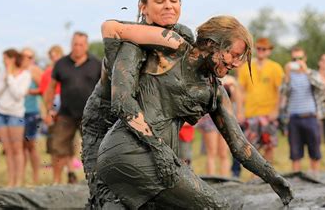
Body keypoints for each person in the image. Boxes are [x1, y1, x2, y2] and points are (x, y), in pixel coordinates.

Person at [97, 16, 293, 209]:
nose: (236, 63)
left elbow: (240, 146)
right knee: (219, 207)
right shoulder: (171, 51)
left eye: (239, 58)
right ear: (211, 43)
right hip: (133, 151)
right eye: (232, 54)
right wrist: (159, 149)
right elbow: (121, 33)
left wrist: (273, 177)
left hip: (146, 159)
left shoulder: (215, 91)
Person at [80, 0, 194, 206]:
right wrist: (171, 40)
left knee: (156, 194)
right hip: (106, 121)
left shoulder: (184, 33)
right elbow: (109, 27)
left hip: (149, 122)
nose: (169, 6)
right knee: (109, 196)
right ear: (143, 7)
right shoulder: (128, 40)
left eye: (174, 0)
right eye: (160, 1)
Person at [44, 32, 101, 184]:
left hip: (90, 116)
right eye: (75, 44)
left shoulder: (97, 63)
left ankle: (95, 183)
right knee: (58, 149)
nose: (77, 48)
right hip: (65, 114)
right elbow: (50, 88)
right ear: (71, 44)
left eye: (81, 44)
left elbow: (105, 89)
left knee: (94, 149)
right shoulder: (61, 63)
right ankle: (56, 183)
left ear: (86, 46)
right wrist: (48, 109)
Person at [237, 37, 284, 164]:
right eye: (258, 48)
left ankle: (267, 178)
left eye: (264, 49)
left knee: (269, 146)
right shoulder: (245, 67)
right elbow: (240, 91)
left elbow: (281, 91)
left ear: (269, 51)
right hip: (251, 113)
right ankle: (254, 180)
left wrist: (276, 110)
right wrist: (240, 111)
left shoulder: (276, 68)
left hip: (268, 114)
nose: (261, 51)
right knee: (252, 149)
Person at [0, 48, 31, 187]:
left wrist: (10, 78)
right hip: (0, 114)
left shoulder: (25, 74)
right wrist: (5, 77)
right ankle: (10, 181)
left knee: (17, 149)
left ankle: (18, 181)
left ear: (13, 59)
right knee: (7, 150)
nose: (3, 61)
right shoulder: (1, 73)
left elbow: (18, 94)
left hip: (15, 114)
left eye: (5, 58)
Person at [280, 47, 325, 172]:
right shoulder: (288, 76)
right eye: (294, 59)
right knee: (295, 154)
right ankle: (296, 182)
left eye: (300, 58)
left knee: (315, 153)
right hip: (294, 119)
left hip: (311, 117)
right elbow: (283, 92)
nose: (297, 61)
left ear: (305, 59)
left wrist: (306, 72)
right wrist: (287, 75)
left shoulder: (312, 73)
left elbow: (321, 86)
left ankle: (315, 178)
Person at [21, 47, 43, 185]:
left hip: (31, 111)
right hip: (17, 112)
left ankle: (36, 177)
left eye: (29, 57)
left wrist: (29, 91)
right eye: (23, 56)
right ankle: (21, 177)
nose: (26, 59)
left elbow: (44, 89)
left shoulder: (34, 70)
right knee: (20, 147)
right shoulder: (17, 70)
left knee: (31, 146)